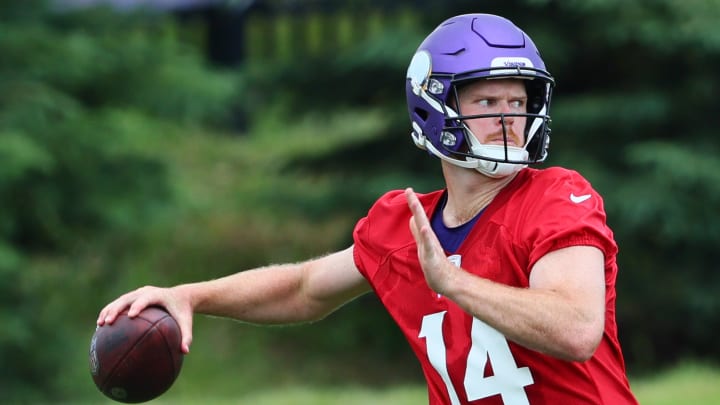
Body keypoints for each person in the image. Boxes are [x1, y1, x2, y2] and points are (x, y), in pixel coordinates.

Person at [97, 13, 639, 405]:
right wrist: (189, 295)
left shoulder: (556, 197)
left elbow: (575, 328)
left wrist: (454, 283)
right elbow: (304, 288)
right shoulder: (405, 226)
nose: (507, 119)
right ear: (435, 107)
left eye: (518, 103)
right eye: (487, 102)